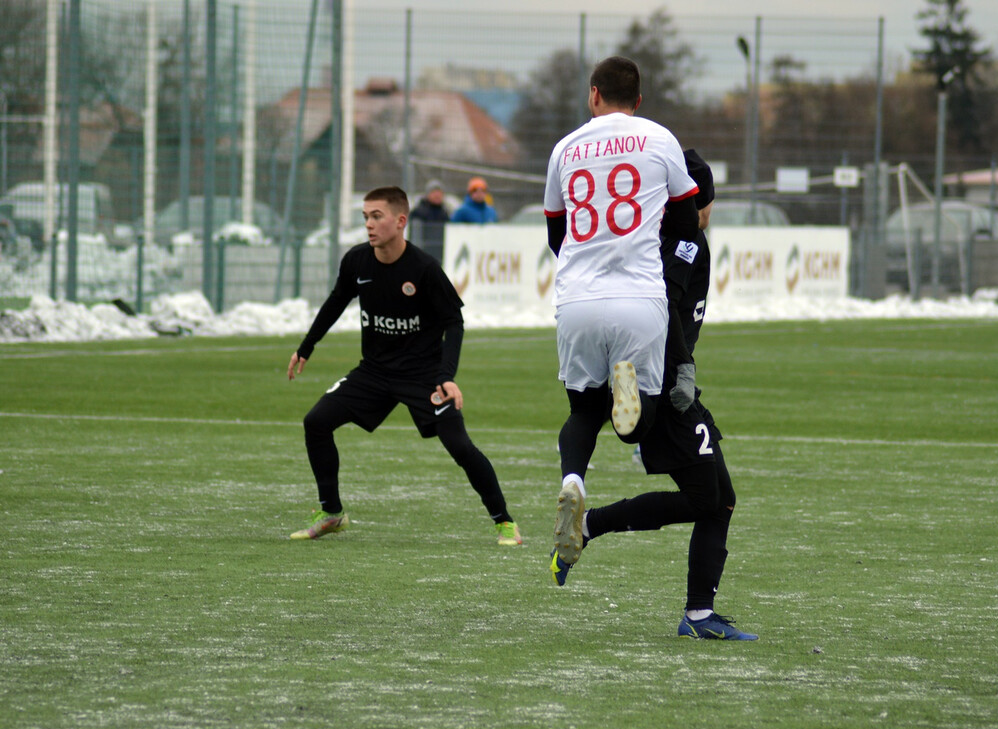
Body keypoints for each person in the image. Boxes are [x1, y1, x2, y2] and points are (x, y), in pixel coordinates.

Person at [548, 150, 757, 642]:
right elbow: (666, 302)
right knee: (713, 500)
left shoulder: (642, 236)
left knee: (715, 499)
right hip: (662, 377)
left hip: (632, 357)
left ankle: (593, 527)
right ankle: (696, 614)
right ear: (698, 199)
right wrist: (682, 371)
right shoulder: (687, 241)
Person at [286, 185, 522, 546]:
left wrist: (446, 377)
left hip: (423, 376)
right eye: (365, 217)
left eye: (376, 216)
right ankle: (331, 512)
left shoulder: (424, 268)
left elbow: (454, 323)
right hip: (374, 372)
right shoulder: (356, 262)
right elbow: (336, 302)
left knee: (459, 446)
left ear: (400, 221)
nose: (368, 224)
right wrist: (307, 346)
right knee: (316, 422)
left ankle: (504, 522)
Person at [542, 55, 699, 575]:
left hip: (579, 300)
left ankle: (573, 480)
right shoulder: (659, 138)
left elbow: (555, 233)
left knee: (582, 410)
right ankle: (628, 406)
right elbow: (685, 221)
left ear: (593, 95)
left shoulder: (566, 148)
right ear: (639, 99)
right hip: (640, 297)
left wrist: (583, 263)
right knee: (637, 424)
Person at [409, 179, 451, 261]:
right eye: (434, 192)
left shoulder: (445, 213)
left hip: (440, 254)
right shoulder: (419, 212)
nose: (437, 195)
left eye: (439, 192)